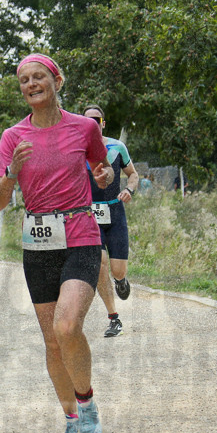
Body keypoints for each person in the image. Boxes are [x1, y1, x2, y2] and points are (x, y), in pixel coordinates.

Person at [0, 53, 115, 433]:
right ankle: (70, 420)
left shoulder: (83, 127)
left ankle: (87, 400)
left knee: (66, 326)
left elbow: (103, 169)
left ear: (56, 80)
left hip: (80, 234)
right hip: (38, 242)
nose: (31, 84)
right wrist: (11, 174)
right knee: (51, 341)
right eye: (24, 79)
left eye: (38, 76)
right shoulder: (12, 137)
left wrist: (103, 175)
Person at [82, 105, 140, 338]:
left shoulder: (117, 147)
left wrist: (129, 190)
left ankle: (121, 280)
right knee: (100, 263)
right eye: (88, 120)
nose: (93, 123)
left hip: (115, 213)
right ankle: (114, 318)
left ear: (103, 123)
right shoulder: (78, 150)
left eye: (97, 119)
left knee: (117, 270)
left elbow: (133, 174)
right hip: (89, 216)